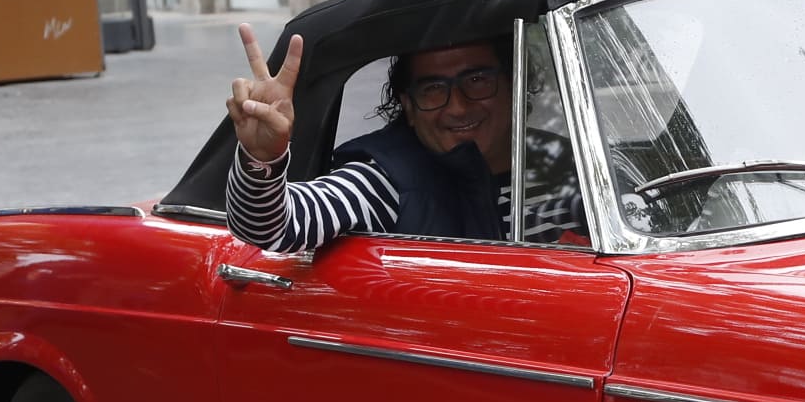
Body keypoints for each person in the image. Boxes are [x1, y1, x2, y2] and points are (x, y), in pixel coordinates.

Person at [222, 24, 581, 252]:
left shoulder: (567, 163)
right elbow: (276, 227)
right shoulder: (386, 179)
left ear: (514, 85)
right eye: (433, 90)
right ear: (408, 106)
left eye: (477, 81)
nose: (457, 107)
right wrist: (261, 159)